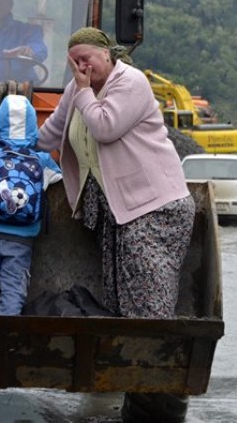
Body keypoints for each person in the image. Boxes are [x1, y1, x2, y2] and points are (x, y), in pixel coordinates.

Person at [37, 27, 195, 320]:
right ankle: (127, 354)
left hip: (155, 207)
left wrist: (84, 92)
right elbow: (51, 133)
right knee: (119, 296)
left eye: (86, 59)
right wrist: (12, 149)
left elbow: (105, 127)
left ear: (106, 54)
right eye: (74, 63)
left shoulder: (130, 82)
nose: (82, 68)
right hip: (119, 211)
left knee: (149, 294)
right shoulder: (76, 89)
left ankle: (153, 351)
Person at [0, 94, 62, 316]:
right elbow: (59, 177)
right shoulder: (42, 160)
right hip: (22, 236)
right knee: (13, 289)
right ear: (33, 126)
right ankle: (7, 337)